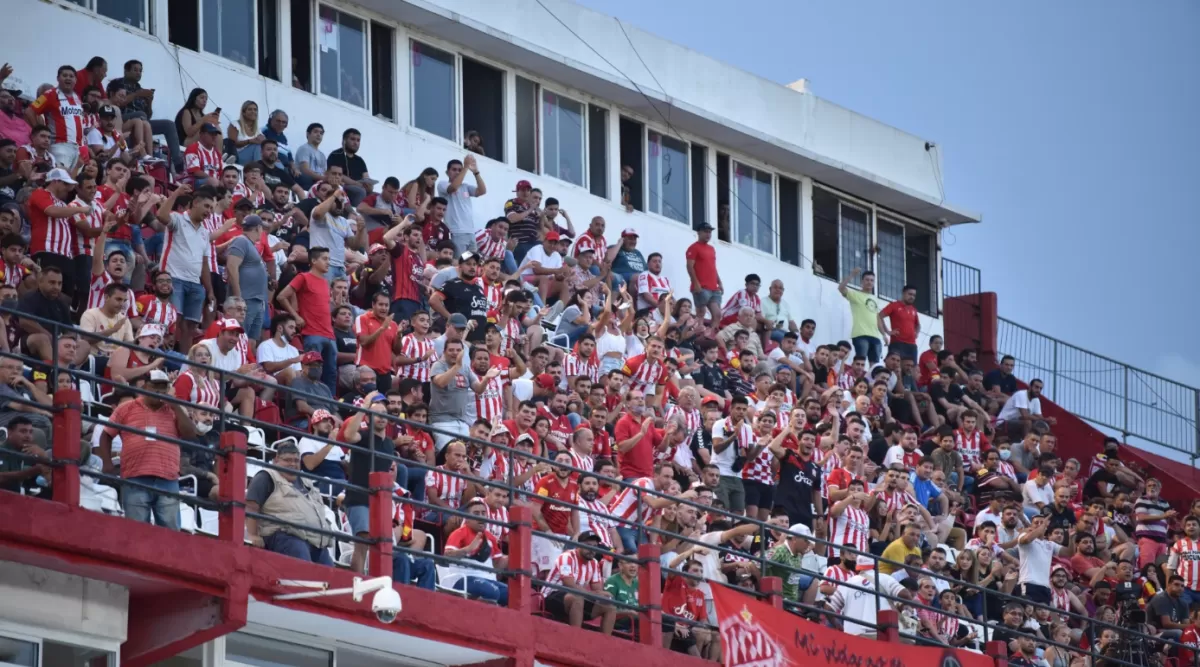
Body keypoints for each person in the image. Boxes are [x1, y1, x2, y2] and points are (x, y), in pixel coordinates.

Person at [98, 370, 196, 530]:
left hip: (167, 478)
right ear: (145, 386)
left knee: (170, 530)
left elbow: (191, 435)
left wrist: (176, 407)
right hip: (135, 476)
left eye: (163, 387)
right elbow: (106, 435)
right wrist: (107, 463)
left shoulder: (174, 410)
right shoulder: (126, 408)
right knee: (136, 529)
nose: (159, 391)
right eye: (155, 386)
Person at [245, 443, 335, 565]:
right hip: (286, 537)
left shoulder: (307, 482)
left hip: (316, 542)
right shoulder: (266, 477)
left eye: (296, 461)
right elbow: (251, 506)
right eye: (287, 460)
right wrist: (252, 535)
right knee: (305, 575)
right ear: (276, 460)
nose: (292, 464)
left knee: (332, 578)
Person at [152, 184, 215, 353]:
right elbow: (160, 215)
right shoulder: (178, 219)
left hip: (195, 284)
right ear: (195, 203)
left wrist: (209, 290)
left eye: (212, 208)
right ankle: (164, 357)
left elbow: (204, 264)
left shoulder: (204, 232)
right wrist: (176, 194)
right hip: (174, 278)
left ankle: (186, 362)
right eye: (207, 206)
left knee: (190, 326)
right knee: (173, 320)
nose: (209, 211)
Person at [276, 247, 337, 393]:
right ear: (313, 261)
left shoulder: (325, 282)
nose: (328, 262)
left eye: (329, 259)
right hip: (312, 333)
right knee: (313, 373)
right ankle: (312, 404)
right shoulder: (303, 277)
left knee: (331, 374)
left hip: (329, 334)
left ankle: (329, 406)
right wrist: (296, 316)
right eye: (324, 259)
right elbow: (281, 296)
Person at [429, 338, 499, 450]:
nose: (455, 353)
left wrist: (486, 378)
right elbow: (441, 383)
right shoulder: (438, 366)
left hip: (462, 421)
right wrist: (456, 366)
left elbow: (479, 389)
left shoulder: (465, 369)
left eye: (458, 350)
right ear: (444, 352)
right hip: (442, 420)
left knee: (467, 452)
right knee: (449, 451)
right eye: (451, 350)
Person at [543, 531, 617, 635]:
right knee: (577, 598)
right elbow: (569, 583)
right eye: (588, 545)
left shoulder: (594, 562)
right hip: (551, 596)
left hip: (577, 598)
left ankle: (605, 643)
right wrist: (592, 594)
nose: (592, 550)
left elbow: (597, 589)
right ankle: (576, 637)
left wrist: (604, 595)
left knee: (610, 607)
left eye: (595, 546)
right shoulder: (567, 556)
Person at [444, 498, 509, 604]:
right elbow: (446, 557)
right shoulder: (459, 533)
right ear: (468, 519)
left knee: (510, 594)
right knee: (492, 592)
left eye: (483, 513)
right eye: (476, 513)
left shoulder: (491, 537)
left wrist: (513, 558)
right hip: (463, 579)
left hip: (488, 579)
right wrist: (468, 549)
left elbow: (497, 565)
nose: (481, 516)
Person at [224, 214, 270, 341]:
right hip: (245, 300)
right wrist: (239, 297)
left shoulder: (249, 244)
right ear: (258, 228)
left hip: (256, 301)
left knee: (251, 340)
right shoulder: (241, 240)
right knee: (238, 337)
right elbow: (231, 266)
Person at [437, 155, 487, 253]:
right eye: (454, 169)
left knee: (470, 261)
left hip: (471, 232)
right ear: (447, 172)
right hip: (456, 232)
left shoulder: (465, 186)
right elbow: (454, 187)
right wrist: (465, 168)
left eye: (459, 170)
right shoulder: (442, 184)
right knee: (459, 261)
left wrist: (476, 172)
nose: (457, 172)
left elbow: (482, 191)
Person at [838, 268, 882, 365]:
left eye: (872, 280)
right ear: (862, 281)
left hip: (875, 336)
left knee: (874, 366)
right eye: (867, 280)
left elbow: (877, 318)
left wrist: (884, 334)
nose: (869, 282)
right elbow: (841, 288)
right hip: (861, 334)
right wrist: (852, 275)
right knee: (860, 362)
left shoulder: (875, 299)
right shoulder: (855, 294)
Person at [685, 223, 722, 329]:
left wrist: (719, 282)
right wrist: (696, 283)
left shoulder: (711, 248)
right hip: (702, 287)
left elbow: (713, 267)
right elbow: (689, 266)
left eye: (710, 232)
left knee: (717, 314)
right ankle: (696, 334)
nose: (708, 234)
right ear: (699, 232)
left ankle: (710, 335)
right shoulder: (693, 247)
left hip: (713, 287)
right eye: (706, 231)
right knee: (701, 313)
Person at [878, 285, 920, 362]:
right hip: (897, 343)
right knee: (896, 367)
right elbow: (880, 316)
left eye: (914, 295)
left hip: (912, 345)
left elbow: (918, 325)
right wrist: (888, 332)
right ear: (903, 293)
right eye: (910, 294)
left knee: (911, 370)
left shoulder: (913, 309)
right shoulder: (894, 305)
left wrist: (916, 333)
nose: (912, 297)